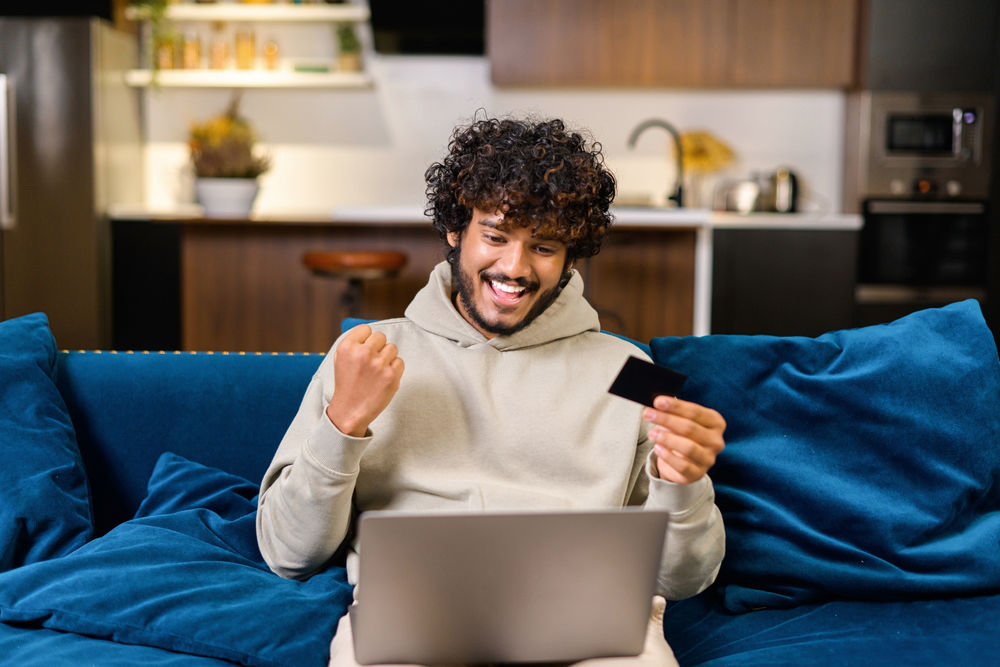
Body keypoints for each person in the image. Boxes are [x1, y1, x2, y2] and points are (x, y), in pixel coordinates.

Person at [256, 115, 726, 667]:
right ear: (456, 230)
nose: (514, 267)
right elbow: (288, 553)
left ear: (571, 256)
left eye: (544, 247)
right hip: (414, 623)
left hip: (590, 629)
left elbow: (686, 578)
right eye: (496, 236)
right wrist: (343, 424)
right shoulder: (371, 354)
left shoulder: (632, 369)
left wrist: (683, 485)